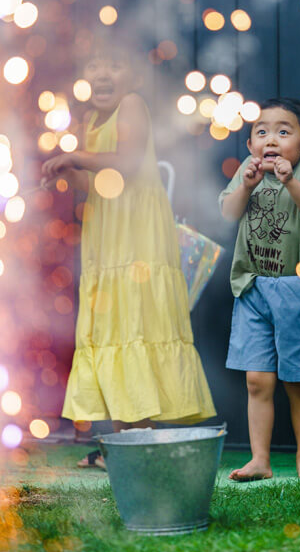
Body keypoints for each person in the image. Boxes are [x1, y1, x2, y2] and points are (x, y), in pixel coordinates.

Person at [41, 43, 215, 468]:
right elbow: (100, 182)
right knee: (117, 324)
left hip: (135, 235)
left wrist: (78, 155)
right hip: (108, 232)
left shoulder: (132, 105)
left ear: (133, 77)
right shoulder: (91, 118)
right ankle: (127, 445)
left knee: (135, 319)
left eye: (114, 63)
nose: (102, 72)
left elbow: (129, 161)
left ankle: (138, 442)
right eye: (94, 63)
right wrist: (70, 174)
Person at [220, 98, 300, 480]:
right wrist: (246, 185)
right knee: (257, 379)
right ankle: (260, 460)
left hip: (296, 288)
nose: (271, 139)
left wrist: (290, 179)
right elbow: (227, 214)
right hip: (252, 286)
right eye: (262, 131)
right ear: (251, 144)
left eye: (284, 131)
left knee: (297, 379)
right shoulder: (247, 172)